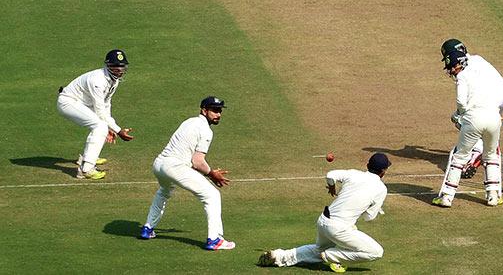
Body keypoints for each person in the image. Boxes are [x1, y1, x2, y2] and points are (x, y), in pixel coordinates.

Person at [258, 153, 390, 273]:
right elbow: (369, 217)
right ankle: (331, 256)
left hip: (324, 221)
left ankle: (278, 256)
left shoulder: (354, 174)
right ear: (383, 171)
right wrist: (370, 207)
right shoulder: (381, 189)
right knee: (376, 252)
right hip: (339, 228)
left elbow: (330, 175)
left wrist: (332, 187)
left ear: (367, 165)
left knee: (317, 249)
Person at [140, 96, 235, 250]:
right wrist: (212, 174)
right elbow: (197, 161)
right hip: (175, 167)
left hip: (159, 165)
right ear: (204, 110)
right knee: (212, 195)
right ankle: (214, 239)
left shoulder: (189, 121)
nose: (218, 114)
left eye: (219, 111)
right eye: (214, 110)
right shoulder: (206, 130)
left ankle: (148, 229)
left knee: (164, 191)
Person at [432, 41, 503, 208]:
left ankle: (447, 197)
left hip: (475, 118)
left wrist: (458, 116)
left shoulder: (463, 76)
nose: (451, 71)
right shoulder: (479, 63)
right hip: (495, 113)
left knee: (459, 156)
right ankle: (493, 196)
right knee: (492, 155)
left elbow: (461, 103)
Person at [56, 49, 134, 180]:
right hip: (68, 102)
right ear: (108, 66)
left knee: (102, 126)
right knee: (100, 126)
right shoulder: (97, 81)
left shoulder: (113, 81)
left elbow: (106, 104)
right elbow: (99, 110)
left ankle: (89, 157)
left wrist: (111, 126)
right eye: (115, 67)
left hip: (83, 103)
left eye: (122, 67)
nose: (119, 70)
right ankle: (86, 169)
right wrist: (118, 130)